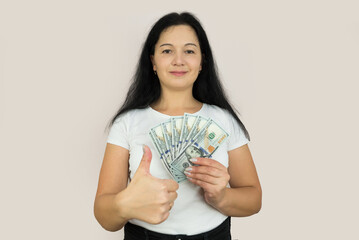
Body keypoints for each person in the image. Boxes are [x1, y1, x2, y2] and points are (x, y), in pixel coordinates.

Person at [94, 12, 262, 240]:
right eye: (167, 51)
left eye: (189, 51)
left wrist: (220, 197)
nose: (179, 60)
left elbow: (254, 200)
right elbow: (104, 217)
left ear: (202, 61)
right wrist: (126, 203)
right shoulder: (126, 123)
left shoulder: (224, 120)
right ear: (153, 61)